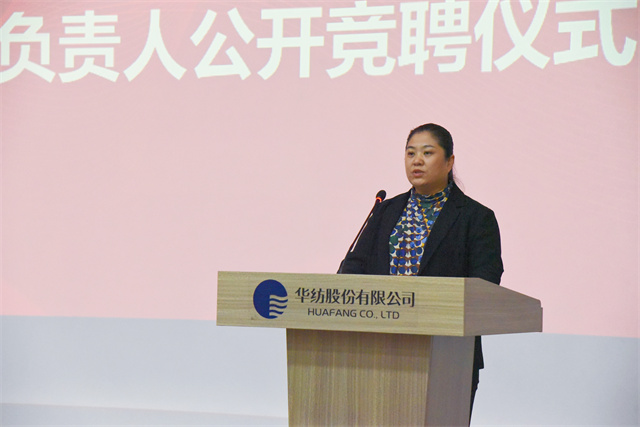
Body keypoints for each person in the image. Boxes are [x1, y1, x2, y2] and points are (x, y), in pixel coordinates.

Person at [338, 123, 503, 418]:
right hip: (378, 350)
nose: (417, 161)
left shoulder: (477, 218)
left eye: (427, 153)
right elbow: (354, 266)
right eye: (410, 153)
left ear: (449, 162)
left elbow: (485, 284)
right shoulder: (385, 211)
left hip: (449, 355)